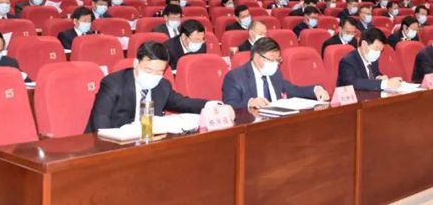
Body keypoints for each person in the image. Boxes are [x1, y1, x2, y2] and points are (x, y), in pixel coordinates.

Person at [86, 41, 233, 131]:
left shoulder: (162, 85)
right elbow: (101, 119)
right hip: (110, 145)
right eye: (148, 71)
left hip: (148, 142)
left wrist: (212, 105)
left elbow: (183, 103)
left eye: (159, 72)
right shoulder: (113, 83)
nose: (153, 76)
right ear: (136, 63)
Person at [222, 37, 330, 109]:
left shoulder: (275, 73)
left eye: (277, 59)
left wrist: (315, 89)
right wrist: (249, 103)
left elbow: (292, 89)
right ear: (257, 57)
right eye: (271, 59)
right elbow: (229, 106)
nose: (275, 63)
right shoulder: (235, 77)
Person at [337, 28, 403, 91]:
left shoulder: (373, 59)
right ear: (364, 44)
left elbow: (375, 73)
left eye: (380, 50)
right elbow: (354, 82)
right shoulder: (347, 62)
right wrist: (384, 84)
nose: (378, 53)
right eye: (376, 48)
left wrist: (379, 77)